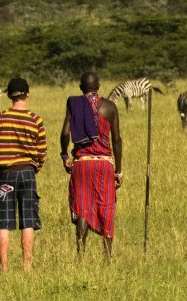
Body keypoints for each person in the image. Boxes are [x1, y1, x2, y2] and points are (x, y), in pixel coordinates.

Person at [60, 71, 123, 259]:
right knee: (106, 206)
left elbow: (65, 133)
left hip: (82, 164)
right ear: (99, 86)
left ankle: (80, 255)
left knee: (82, 207)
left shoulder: (74, 104)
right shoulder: (110, 107)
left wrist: (64, 155)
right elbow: (117, 140)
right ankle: (108, 256)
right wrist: (118, 170)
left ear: (81, 88)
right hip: (104, 165)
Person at [0, 77, 47, 272]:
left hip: (6, 174)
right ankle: (26, 266)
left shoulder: (0, 118)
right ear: (27, 94)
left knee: (4, 221)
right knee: (28, 220)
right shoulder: (35, 119)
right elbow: (42, 151)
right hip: (28, 172)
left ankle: (4, 268)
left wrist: (1, 167)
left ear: (8, 95)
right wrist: (35, 168)